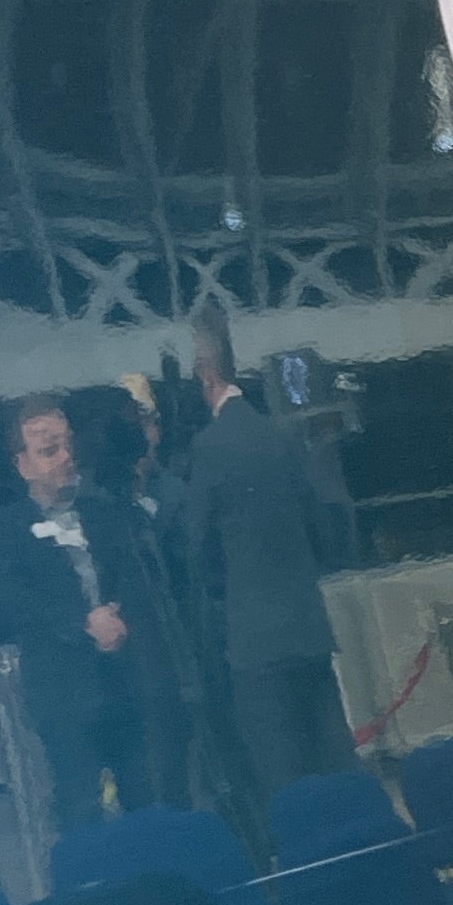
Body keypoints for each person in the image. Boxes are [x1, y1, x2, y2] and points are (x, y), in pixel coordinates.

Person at [173, 303, 359, 813]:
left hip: (256, 639)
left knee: (284, 773)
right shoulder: (280, 435)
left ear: (205, 373)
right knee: (335, 754)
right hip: (307, 624)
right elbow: (322, 526)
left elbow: (196, 546)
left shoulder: (210, 447)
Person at [0, 395, 184, 826]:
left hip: (122, 681)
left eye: (67, 446)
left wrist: (118, 617)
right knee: (79, 807)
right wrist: (82, 623)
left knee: (145, 797)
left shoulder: (104, 510)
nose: (64, 459)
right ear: (23, 464)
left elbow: (134, 576)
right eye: (49, 450)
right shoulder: (6, 528)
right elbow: (12, 601)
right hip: (64, 692)